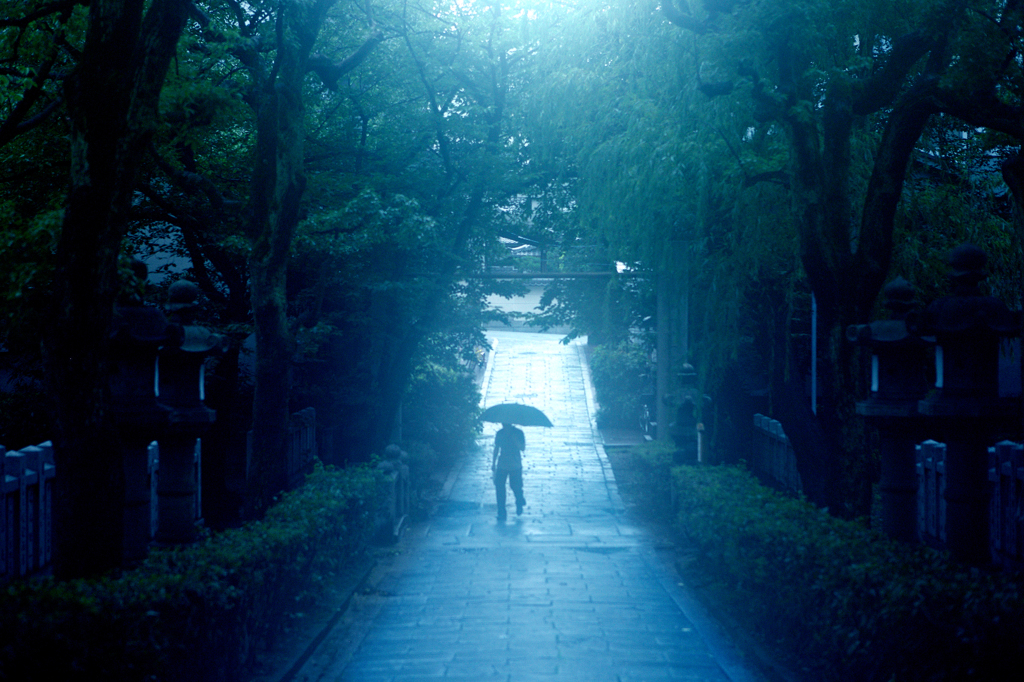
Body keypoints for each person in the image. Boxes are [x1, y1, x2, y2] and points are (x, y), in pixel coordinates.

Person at [492, 422, 526, 520]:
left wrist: (515, 440)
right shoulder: (500, 433)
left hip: (515, 464)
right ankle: (501, 511)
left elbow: (522, 448)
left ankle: (519, 500)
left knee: (515, 486)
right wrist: (493, 463)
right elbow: (496, 448)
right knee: (499, 487)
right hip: (502, 463)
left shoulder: (519, 433)